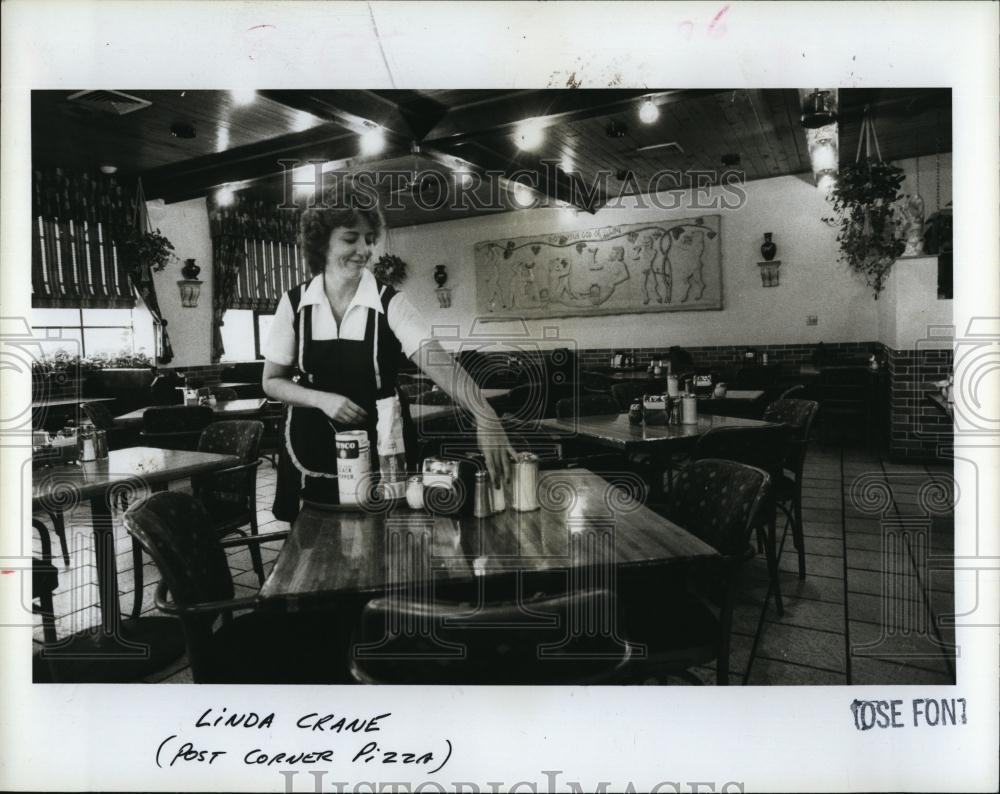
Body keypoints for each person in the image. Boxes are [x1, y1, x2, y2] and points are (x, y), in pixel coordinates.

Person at [262, 184, 515, 519]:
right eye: (350, 238)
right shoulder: (294, 304)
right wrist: (322, 399)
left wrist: (484, 412)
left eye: (369, 239)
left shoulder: (390, 302)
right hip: (312, 439)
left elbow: (435, 359)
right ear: (321, 242)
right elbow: (271, 381)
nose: (364, 250)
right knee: (314, 540)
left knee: (384, 533)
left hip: (383, 440)